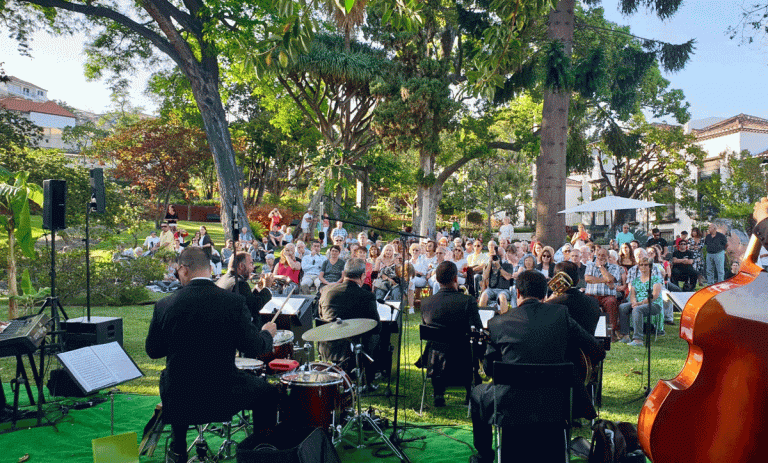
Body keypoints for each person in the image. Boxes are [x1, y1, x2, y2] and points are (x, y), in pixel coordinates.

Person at [146, 247, 278, 463]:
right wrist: (267, 334)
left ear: (183, 269)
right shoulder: (233, 303)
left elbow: (153, 351)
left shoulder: (164, 304)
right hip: (222, 392)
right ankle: (259, 451)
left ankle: (178, 448)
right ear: (208, 269)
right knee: (269, 393)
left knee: (175, 378)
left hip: (180, 395)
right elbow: (255, 347)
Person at [469, 270, 604, 463]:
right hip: (556, 402)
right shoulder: (561, 315)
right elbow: (596, 350)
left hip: (510, 403)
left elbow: (490, 370)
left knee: (477, 393)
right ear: (544, 294)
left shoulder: (497, 322)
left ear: (517, 294)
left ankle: (484, 455)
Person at [418, 261, 483, 407]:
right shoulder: (468, 301)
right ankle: (470, 392)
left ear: (437, 279)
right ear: (455, 279)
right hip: (463, 360)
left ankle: (438, 392)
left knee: (437, 343)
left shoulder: (426, 303)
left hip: (436, 361)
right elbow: (477, 329)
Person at [317, 258, 380, 388]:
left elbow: (321, 316)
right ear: (363, 276)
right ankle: (369, 377)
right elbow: (376, 327)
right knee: (376, 336)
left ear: (344, 273)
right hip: (350, 350)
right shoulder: (367, 296)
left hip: (327, 346)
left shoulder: (327, 291)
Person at [618, 256, 663, 347]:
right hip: (638, 303)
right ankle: (626, 335)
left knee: (637, 309)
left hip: (653, 304)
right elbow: (633, 294)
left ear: (650, 267)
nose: (643, 267)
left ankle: (638, 339)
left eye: (645, 265)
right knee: (622, 307)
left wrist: (640, 303)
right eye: (641, 265)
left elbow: (654, 295)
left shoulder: (656, 279)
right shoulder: (636, 280)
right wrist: (634, 302)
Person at [216, 251, 273, 320]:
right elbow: (254, 307)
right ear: (241, 266)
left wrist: (258, 288)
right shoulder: (240, 283)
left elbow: (248, 300)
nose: (253, 268)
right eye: (251, 264)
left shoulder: (222, 279)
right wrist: (267, 287)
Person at [585, 247, 622, 342]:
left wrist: (601, 267)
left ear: (608, 257)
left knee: (612, 302)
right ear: (596, 256)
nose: (601, 257)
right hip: (592, 295)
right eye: (599, 255)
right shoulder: (590, 265)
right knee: (587, 303)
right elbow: (588, 279)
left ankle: (610, 333)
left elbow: (610, 279)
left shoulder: (615, 267)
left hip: (607, 296)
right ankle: (589, 332)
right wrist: (605, 280)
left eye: (603, 255)